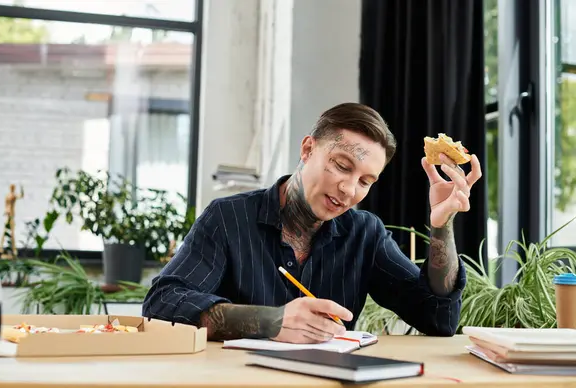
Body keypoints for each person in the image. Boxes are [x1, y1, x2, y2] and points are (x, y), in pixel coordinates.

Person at [143, 102, 482, 343]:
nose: (348, 189)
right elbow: (162, 304)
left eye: (365, 181)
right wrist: (270, 322)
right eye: (342, 165)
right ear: (307, 149)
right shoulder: (228, 219)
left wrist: (442, 224)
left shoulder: (364, 234)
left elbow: (439, 319)